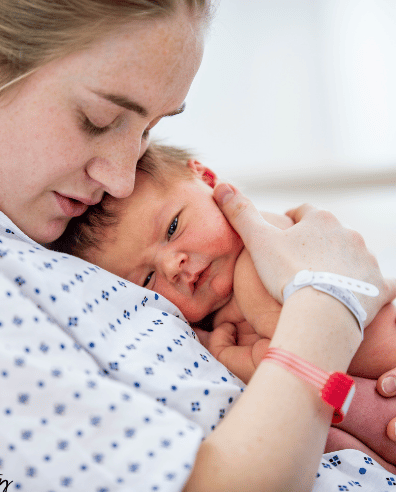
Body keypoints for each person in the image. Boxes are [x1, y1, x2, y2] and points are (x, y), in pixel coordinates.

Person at [0, 2, 396, 492]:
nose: (121, 177)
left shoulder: (8, 222)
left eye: (147, 129)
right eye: (98, 119)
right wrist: (329, 301)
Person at [56, 142, 396, 472]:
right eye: (146, 279)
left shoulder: (264, 251)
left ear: (206, 179)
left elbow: (292, 350)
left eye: (173, 227)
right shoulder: (214, 316)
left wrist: (231, 358)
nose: (174, 265)